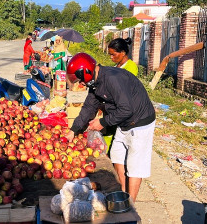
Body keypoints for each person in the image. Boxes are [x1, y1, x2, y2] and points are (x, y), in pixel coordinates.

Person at [65, 53, 156, 202]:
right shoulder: (95, 83)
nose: (80, 84)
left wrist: (102, 122)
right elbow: (89, 107)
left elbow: (126, 109)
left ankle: (130, 204)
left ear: (86, 72)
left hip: (140, 122)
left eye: (80, 80)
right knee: (117, 156)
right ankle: (123, 193)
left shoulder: (112, 79)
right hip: (124, 122)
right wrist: (73, 130)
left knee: (135, 166)